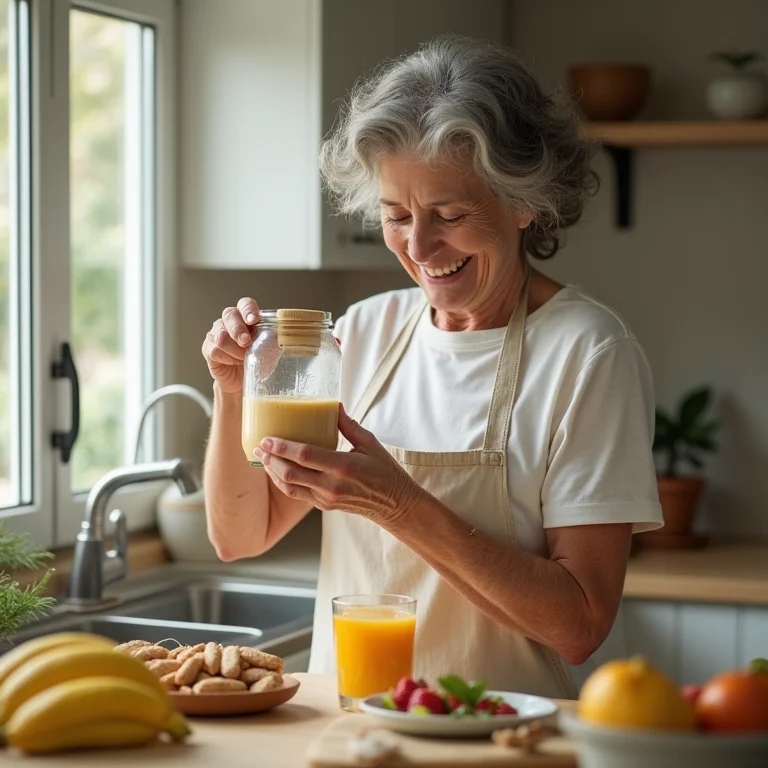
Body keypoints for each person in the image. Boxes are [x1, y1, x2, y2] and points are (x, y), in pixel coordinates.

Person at [201, 36, 663, 697]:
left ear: (522, 201)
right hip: (358, 736)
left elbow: (580, 623)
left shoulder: (588, 353)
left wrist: (398, 504)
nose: (419, 246)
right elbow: (239, 536)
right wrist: (231, 388)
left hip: (510, 740)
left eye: (449, 214)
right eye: (395, 216)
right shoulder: (363, 334)